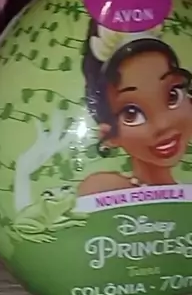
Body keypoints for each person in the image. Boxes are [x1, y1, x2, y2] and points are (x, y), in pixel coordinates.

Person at [79, 23, 192, 196]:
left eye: (172, 96)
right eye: (131, 114)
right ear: (108, 134)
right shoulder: (107, 188)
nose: (163, 124)